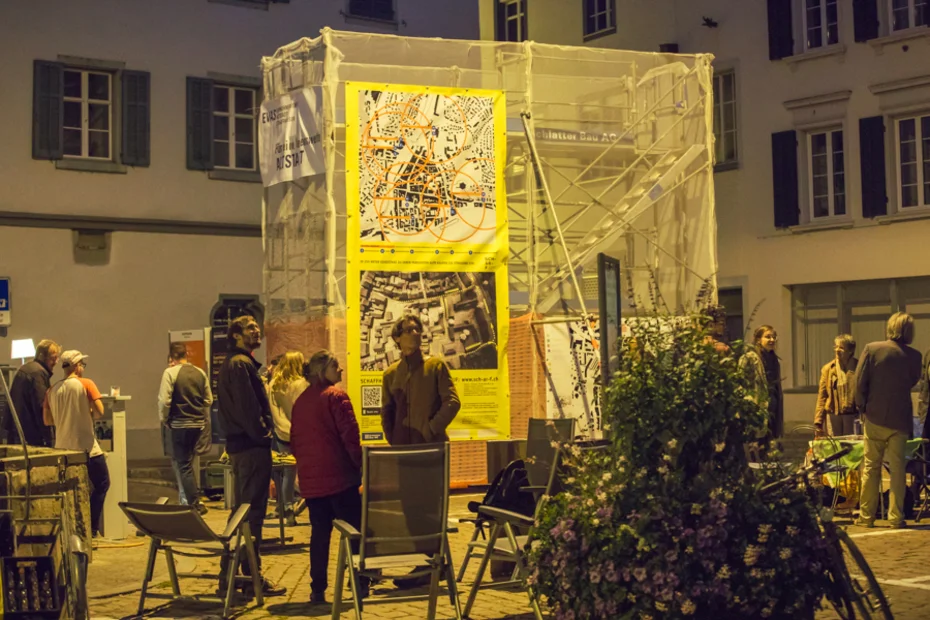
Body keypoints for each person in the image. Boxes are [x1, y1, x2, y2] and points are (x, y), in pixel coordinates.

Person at [381, 313, 461, 588]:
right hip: (405, 453)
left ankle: (433, 564)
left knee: (432, 508)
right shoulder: (391, 374)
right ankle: (427, 564)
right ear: (397, 338)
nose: (415, 332)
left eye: (417, 328)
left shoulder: (435, 366)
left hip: (431, 451)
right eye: (408, 329)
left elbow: (452, 402)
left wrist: (429, 429)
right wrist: (394, 440)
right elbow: (386, 412)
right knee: (411, 510)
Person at [216, 316, 285, 597]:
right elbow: (248, 410)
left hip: (244, 446)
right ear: (236, 336)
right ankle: (247, 575)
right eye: (249, 329)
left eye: (257, 327)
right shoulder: (241, 365)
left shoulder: (236, 364)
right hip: (251, 447)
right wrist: (265, 435)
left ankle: (236, 574)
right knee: (251, 513)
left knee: (244, 512)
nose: (257, 331)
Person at [290, 350, 366, 605]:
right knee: (354, 530)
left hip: (313, 483)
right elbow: (350, 438)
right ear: (323, 370)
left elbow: (295, 442)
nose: (341, 370)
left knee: (319, 535)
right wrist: (360, 466)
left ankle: (317, 588)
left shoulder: (301, 401)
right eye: (336, 366)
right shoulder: (336, 397)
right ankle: (359, 581)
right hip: (340, 478)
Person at [855, 312, 922, 529]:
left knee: (871, 468)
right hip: (900, 418)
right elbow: (912, 381)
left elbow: (859, 382)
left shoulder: (872, 349)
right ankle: (896, 517)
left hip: (874, 415)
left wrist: (862, 407)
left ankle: (867, 516)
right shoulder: (914, 356)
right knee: (897, 470)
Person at [43, 351, 109, 537]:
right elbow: (99, 412)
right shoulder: (86, 384)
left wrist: (65, 418)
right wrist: (85, 412)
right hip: (87, 448)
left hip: (63, 449)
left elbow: (47, 420)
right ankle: (91, 528)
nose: (82, 368)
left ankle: (73, 530)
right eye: (82, 364)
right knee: (102, 484)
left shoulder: (52, 390)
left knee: (71, 491)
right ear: (76, 366)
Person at [158, 342, 213, 513]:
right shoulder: (200, 373)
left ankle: (194, 503)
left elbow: (164, 400)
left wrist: (164, 419)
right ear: (186, 355)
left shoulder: (170, 373)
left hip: (179, 424)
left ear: (172, 357)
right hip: (198, 424)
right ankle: (193, 500)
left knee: (183, 465)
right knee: (189, 462)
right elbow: (208, 400)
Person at [266, 351, 308, 527]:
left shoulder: (274, 383)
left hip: (281, 433)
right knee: (308, 471)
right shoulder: (301, 384)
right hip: (302, 432)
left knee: (287, 474)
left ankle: (287, 509)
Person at [8, 339, 60, 447]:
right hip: (31, 436)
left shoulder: (26, 369)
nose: (56, 362)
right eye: (53, 358)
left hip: (17, 432)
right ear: (42, 356)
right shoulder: (38, 374)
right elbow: (41, 407)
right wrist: (49, 439)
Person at [739, 325, 783, 439]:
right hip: (756, 404)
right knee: (757, 436)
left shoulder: (774, 359)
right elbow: (740, 381)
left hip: (772, 403)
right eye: (768, 337)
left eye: (774, 337)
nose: (772, 340)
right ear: (758, 339)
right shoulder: (749, 357)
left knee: (770, 435)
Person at [814, 334, 859, 438]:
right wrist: (818, 422)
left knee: (852, 448)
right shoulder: (828, 369)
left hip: (852, 416)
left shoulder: (859, 367)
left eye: (842, 347)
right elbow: (822, 396)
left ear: (851, 350)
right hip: (833, 416)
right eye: (836, 347)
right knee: (836, 448)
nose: (837, 350)